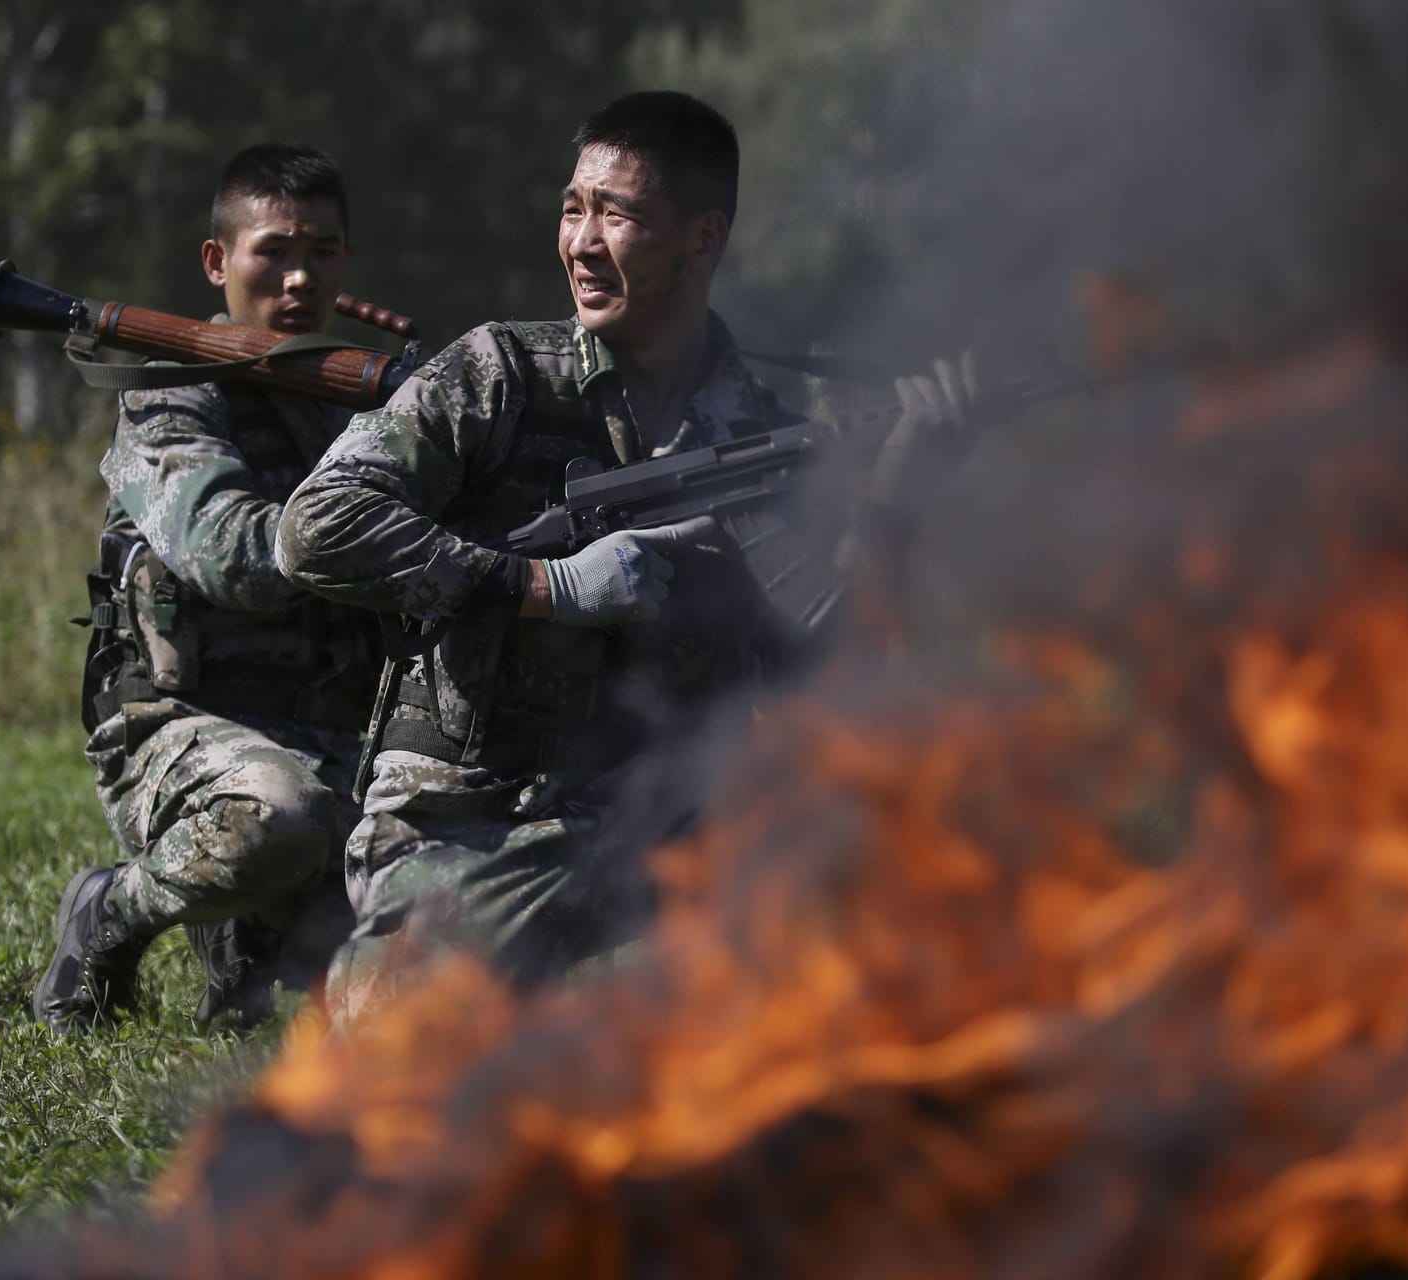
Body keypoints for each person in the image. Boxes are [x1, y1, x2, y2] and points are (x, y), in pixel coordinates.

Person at [275, 90, 969, 1021]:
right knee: (416, 1044)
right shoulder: (498, 376)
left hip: (671, 828)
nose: (582, 242)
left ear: (703, 239)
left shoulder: (762, 434)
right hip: (478, 825)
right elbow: (313, 526)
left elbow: (836, 674)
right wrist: (543, 586)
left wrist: (896, 493)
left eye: (619, 213)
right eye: (573, 207)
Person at [32, 143, 379, 1034]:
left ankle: (252, 940)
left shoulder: (360, 405)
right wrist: (388, 533)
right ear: (217, 262)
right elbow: (230, 555)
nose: (301, 277)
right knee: (277, 821)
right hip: (177, 730)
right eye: (275, 251)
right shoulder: (169, 397)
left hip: (336, 739)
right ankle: (110, 911)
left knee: (442, 915)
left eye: (324, 252)